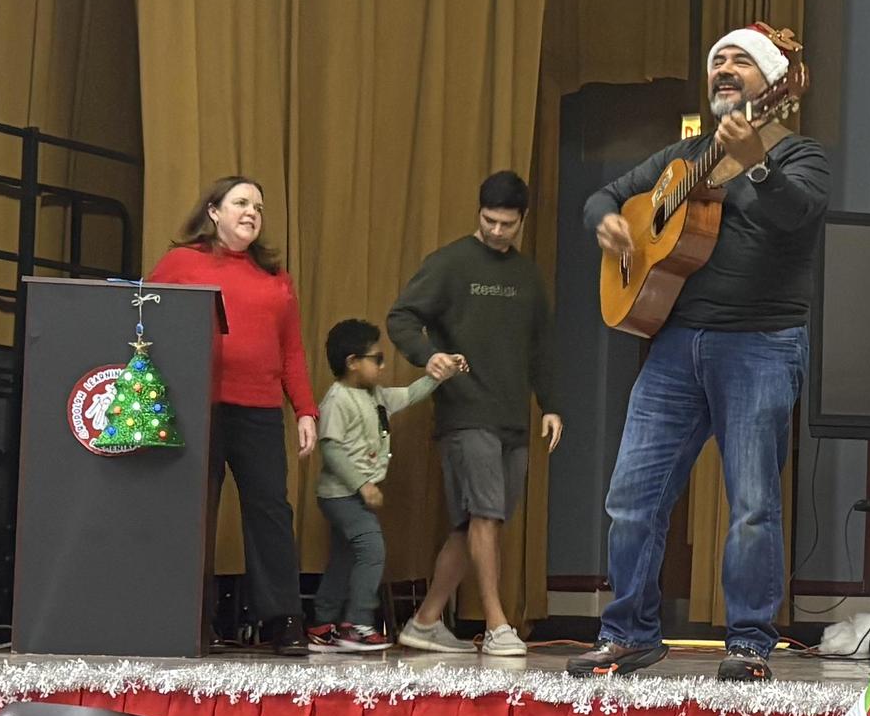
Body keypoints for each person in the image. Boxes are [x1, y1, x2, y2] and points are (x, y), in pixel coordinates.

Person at [570, 24, 828, 683]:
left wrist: (758, 164)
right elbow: (604, 196)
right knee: (632, 495)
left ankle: (749, 643)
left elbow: (799, 216)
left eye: (742, 60)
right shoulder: (683, 157)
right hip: (674, 345)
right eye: (718, 60)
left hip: (761, 345)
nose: (724, 69)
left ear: (774, 84)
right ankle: (628, 634)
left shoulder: (799, 154)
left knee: (752, 504)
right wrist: (607, 222)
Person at [387, 171, 562, 659]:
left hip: (513, 416)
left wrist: (552, 405)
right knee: (485, 514)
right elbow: (402, 317)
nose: (497, 231)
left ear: (522, 220)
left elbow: (541, 348)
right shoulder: (450, 263)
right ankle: (497, 624)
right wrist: (428, 356)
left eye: (507, 223)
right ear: (478, 213)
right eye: (489, 221)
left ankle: (425, 622)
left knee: (477, 524)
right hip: (465, 411)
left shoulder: (528, 277)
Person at [147, 175, 318, 655]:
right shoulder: (182, 263)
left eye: (258, 207)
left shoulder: (274, 276)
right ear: (214, 211)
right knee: (195, 510)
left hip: (259, 408)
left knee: (270, 511)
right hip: (198, 407)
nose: (251, 213)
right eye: (241, 203)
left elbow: (291, 350)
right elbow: (146, 321)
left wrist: (305, 409)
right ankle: (186, 617)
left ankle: (283, 620)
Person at [311, 319, 462, 649]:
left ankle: (323, 623)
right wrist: (363, 485)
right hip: (341, 495)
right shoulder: (337, 399)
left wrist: (440, 375)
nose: (382, 365)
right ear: (353, 362)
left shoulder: (375, 396)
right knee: (372, 549)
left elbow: (409, 394)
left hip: (352, 496)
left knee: (344, 557)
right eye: (376, 359)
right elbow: (332, 450)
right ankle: (357, 623)